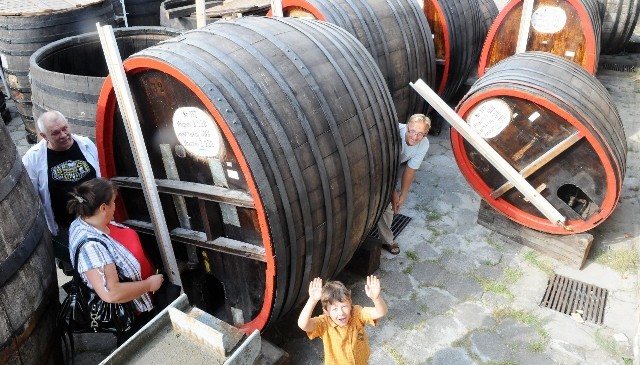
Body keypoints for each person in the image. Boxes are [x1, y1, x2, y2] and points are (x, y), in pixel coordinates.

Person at [67, 177, 164, 344]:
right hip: (133, 317)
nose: (115, 206)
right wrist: (149, 285)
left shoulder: (86, 221)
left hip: (147, 298)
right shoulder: (91, 246)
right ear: (103, 207)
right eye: (113, 202)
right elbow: (111, 293)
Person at [22, 111, 100, 269]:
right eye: (55, 133)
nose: (64, 135)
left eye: (65, 128)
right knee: (77, 264)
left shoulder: (85, 144)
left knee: (102, 259)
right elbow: (31, 198)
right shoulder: (32, 159)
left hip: (97, 217)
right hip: (66, 227)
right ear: (44, 136)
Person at [298, 275, 388, 365]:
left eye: (344, 306)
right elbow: (303, 325)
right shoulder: (324, 324)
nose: (341, 313)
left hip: (361, 361)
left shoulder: (357, 313)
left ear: (350, 303)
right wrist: (312, 300)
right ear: (326, 311)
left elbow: (381, 312)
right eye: (334, 309)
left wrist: (376, 298)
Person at [377, 114, 431, 255]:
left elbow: (410, 170)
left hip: (393, 167)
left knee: (389, 206)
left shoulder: (424, 144)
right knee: (387, 206)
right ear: (406, 127)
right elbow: (385, 168)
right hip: (378, 164)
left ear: (426, 134)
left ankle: (386, 240)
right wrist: (394, 194)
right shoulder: (394, 133)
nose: (414, 137)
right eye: (412, 131)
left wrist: (403, 195)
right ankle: (387, 240)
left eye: (420, 134)